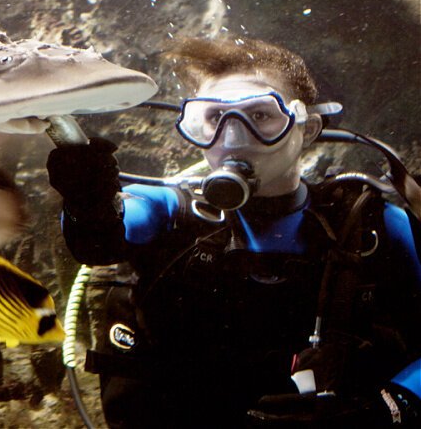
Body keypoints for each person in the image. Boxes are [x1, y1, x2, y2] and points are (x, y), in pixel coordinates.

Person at [47, 37, 421, 428]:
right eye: (213, 119)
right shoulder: (167, 209)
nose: (233, 138)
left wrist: (392, 406)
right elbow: (102, 233)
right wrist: (87, 201)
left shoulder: (371, 225)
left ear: (307, 129)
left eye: (260, 116)